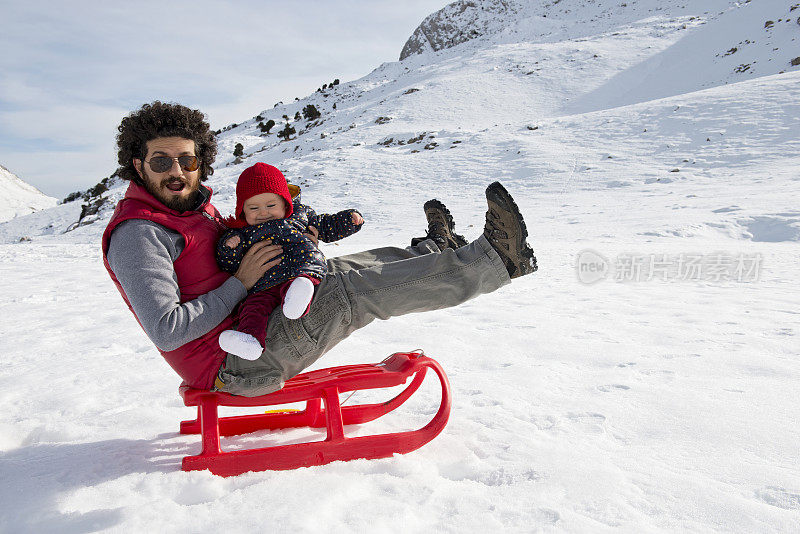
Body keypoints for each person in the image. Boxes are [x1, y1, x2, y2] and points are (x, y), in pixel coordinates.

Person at [102, 101, 538, 397]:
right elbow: (168, 328)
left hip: (256, 322)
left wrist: (294, 243)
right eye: (161, 161)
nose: (176, 171)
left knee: (339, 268)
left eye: (187, 160)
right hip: (236, 364)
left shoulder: (195, 210)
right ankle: (498, 260)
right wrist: (242, 282)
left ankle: (435, 249)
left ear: (201, 163)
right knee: (351, 291)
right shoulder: (140, 235)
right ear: (137, 165)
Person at [215, 162, 364, 360]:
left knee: (306, 273)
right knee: (253, 308)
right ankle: (249, 340)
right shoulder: (242, 233)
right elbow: (229, 264)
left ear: (286, 204)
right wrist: (229, 248)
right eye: (253, 207)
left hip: (297, 271)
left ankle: (300, 293)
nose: (263, 212)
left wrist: (348, 220)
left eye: (271, 205)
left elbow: (326, 226)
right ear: (242, 211)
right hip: (263, 285)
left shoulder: (299, 216)